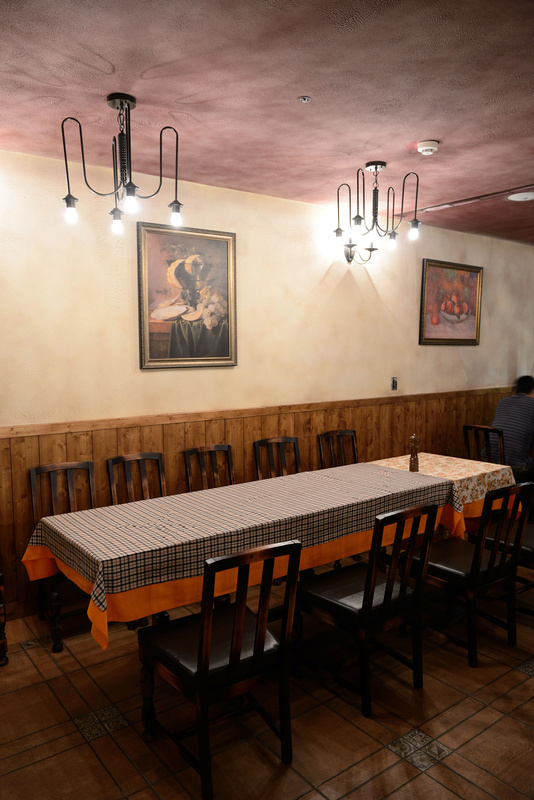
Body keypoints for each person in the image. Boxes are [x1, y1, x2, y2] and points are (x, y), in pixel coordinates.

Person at [491, 375, 534, 482]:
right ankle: (525, 493)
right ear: (533, 390)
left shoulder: (502, 402)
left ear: (515, 390)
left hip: (488, 462)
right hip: (516, 468)